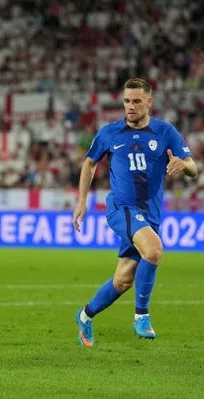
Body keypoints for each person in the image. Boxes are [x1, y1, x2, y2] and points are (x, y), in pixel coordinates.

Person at [73, 78, 197, 347]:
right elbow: (89, 162)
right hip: (121, 208)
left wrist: (182, 164)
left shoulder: (165, 132)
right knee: (153, 251)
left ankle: (84, 315)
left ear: (149, 102)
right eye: (127, 101)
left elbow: (193, 167)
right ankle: (141, 315)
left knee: (123, 280)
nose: (130, 106)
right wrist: (82, 200)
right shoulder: (110, 133)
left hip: (150, 214)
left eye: (136, 101)